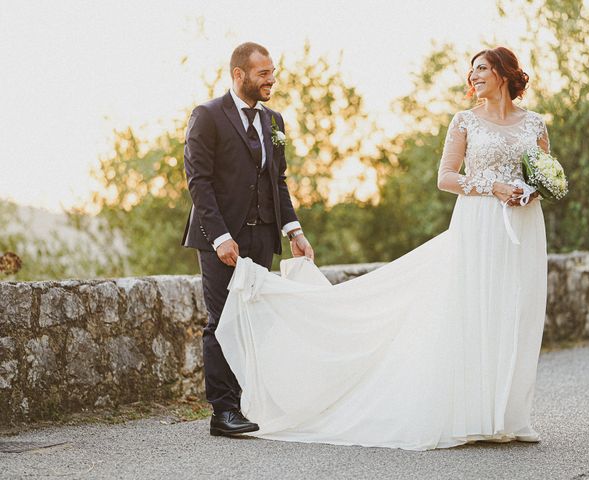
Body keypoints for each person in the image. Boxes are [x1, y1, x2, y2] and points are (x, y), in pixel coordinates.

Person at [215, 46, 550, 450]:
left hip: (523, 226)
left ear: (504, 73)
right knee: (475, 313)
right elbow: (446, 177)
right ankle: (479, 414)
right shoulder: (464, 121)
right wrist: (491, 187)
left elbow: (544, 175)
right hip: (478, 224)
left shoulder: (534, 124)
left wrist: (530, 193)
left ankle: (512, 414)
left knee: (517, 312)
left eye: (482, 68)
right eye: (472, 70)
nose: (474, 76)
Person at [181, 42, 314, 437]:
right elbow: (198, 183)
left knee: (255, 321)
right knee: (222, 321)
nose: (271, 79)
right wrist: (220, 236)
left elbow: (278, 181)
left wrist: (294, 230)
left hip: (262, 237)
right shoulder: (207, 116)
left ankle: (249, 402)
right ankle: (223, 412)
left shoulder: (275, 121)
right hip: (222, 239)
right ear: (239, 75)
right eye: (263, 73)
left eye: (272, 71)